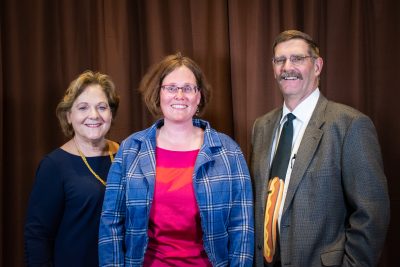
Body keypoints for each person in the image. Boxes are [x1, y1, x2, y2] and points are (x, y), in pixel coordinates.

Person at [99, 52, 254, 266]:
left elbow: (242, 226)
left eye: (188, 88)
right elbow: (111, 223)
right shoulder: (131, 150)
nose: (179, 95)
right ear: (158, 94)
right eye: (171, 88)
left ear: (198, 96)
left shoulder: (228, 151)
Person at [251, 30, 390, 267]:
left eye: (297, 59)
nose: (287, 67)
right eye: (280, 60)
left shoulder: (350, 125)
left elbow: (371, 215)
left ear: (317, 66)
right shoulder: (262, 126)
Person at [24, 70, 120, 267]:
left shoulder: (126, 155)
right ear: (68, 116)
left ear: (111, 113)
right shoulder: (54, 166)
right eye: (83, 108)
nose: (94, 115)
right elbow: (37, 237)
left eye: (102, 107)